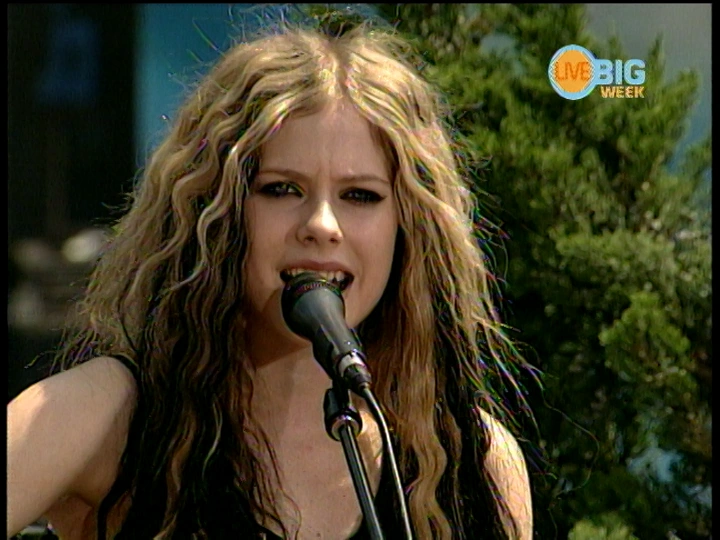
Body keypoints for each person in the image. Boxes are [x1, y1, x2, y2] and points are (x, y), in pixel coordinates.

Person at [7, 12, 536, 540]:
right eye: (281, 189)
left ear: (408, 228)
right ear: (216, 210)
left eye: (360, 196)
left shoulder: (477, 464)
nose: (322, 225)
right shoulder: (111, 414)